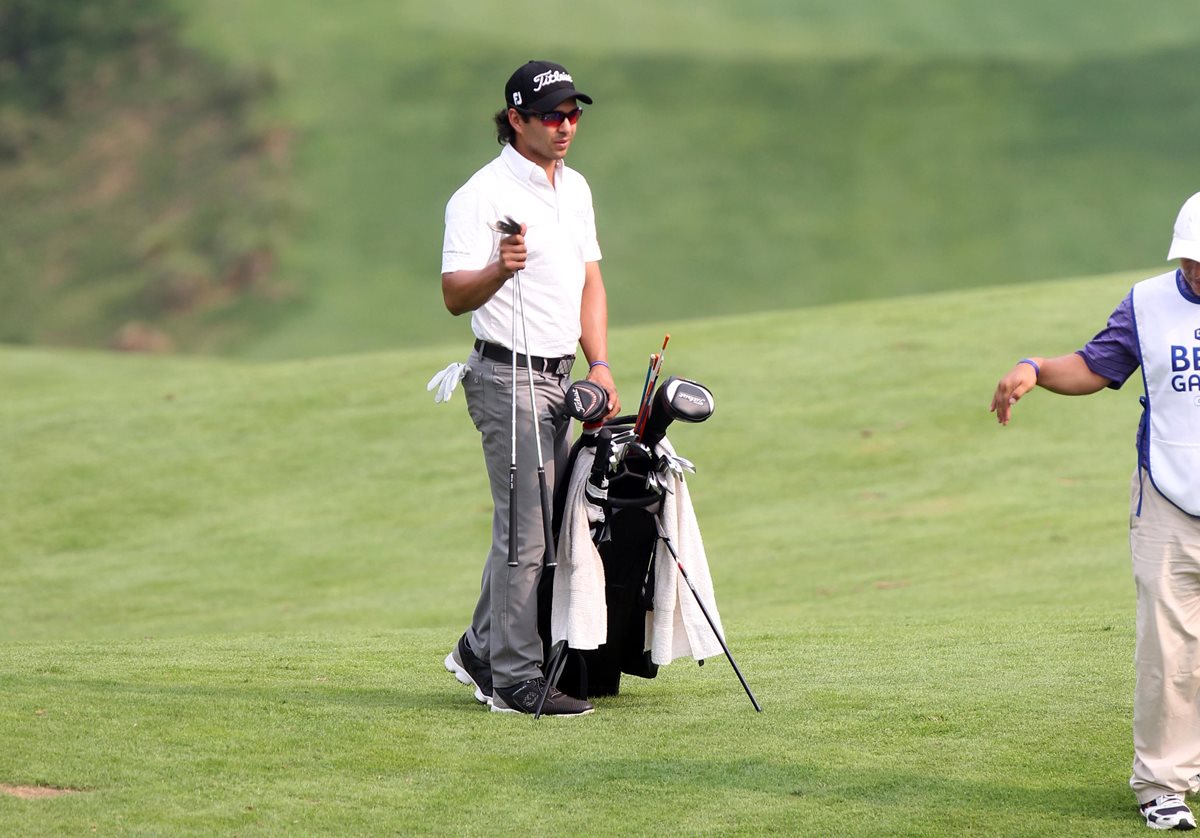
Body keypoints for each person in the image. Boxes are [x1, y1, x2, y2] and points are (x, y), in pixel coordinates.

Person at [990, 192, 1200, 831]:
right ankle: (1163, 785)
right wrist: (1034, 368)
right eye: (1190, 260)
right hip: (1169, 496)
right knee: (1168, 649)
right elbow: (1093, 365)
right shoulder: (1149, 303)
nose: (1196, 272)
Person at [438, 60, 620, 716]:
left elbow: (589, 282)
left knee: (534, 521)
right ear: (515, 120)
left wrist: (599, 366)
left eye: (574, 113)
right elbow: (454, 295)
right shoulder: (480, 197)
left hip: (560, 376)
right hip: (504, 374)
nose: (566, 125)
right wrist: (497, 268)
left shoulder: (575, 189)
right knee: (526, 533)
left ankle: (479, 648)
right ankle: (514, 680)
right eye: (552, 115)